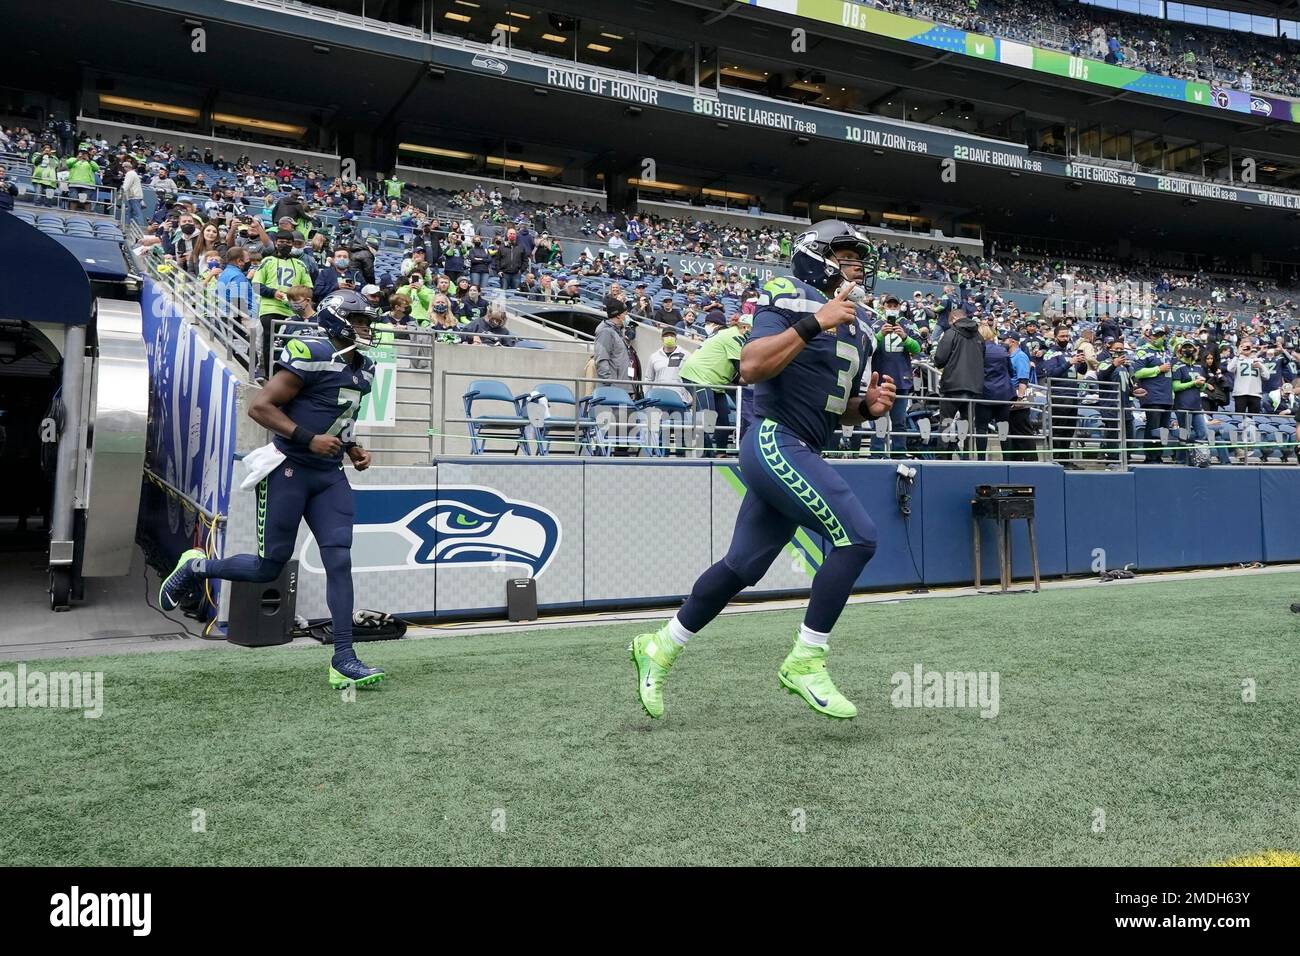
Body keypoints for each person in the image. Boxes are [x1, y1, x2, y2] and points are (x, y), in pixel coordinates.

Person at [629, 220, 895, 721]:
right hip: (775, 438)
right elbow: (750, 366)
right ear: (817, 256)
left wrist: (869, 407)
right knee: (857, 538)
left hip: (806, 446)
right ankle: (806, 660)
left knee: (743, 566)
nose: (857, 266)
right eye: (846, 255)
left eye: (859, 258)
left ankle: (659, 645)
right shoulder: (789, 294)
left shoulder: (861, 325)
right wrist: (816, 320)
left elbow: (834, 408)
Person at [158, 290, 385, 689]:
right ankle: (197, 567)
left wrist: (352, 447)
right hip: (290, 469)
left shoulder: (363, 370)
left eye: (368, 321)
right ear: (337, 320)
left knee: (339, 561)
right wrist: (307, 438)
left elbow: (337, 417)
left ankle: (344, 657)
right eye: (360, 320)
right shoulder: (309, 353)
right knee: (269, 567)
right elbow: (260, 406)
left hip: (329, 475)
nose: (367, 328)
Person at [678, 311, 752, 456]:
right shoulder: (734, 335)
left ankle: (721, 453)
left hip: (714, 382)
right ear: (744, 327)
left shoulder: (727, 334)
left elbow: (735, 376)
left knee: (723, 416)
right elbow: (742, 370)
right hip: (698, 377)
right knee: (707, 416)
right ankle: (707, 454)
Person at [251, 230, 313, 379]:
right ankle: (268, 375)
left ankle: (283, 375)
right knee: (269, 340)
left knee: (288, 343)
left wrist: (297, 297)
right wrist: (273, 293)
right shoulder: (267, 261)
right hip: (270, 308)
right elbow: (256, 286)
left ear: (292, 244)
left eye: (287, 242)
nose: (284, 244)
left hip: (292, 310)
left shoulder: (300, 264)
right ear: (276, 243)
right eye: (280, 241)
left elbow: (309, 288)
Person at [933, 307, 985, 458]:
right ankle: (968, 458)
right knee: (968, 428)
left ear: (953, 319)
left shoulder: (951, 333)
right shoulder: (979, 337)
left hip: (952, 385)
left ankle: (942, 460)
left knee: (946, 424)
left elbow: (939, 359)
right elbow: (983, 358)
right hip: (974, 388)